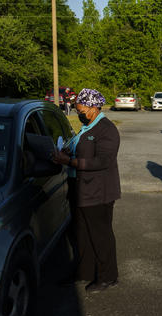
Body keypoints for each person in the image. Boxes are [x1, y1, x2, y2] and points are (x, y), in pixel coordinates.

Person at [52, 88, 122, 293]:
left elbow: (102, 161)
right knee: (81, 234)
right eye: (77, 109)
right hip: (80, 188)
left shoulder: (106, 129)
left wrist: (69, 161)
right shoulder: (86, 127)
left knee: (100, 235)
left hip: (99, 192)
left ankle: (108, 276)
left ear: (94, 107)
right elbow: (78, 147)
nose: (78, 113)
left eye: (81, 109)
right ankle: (85, 272)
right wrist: (65, 151)